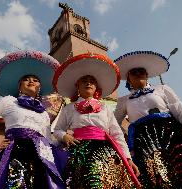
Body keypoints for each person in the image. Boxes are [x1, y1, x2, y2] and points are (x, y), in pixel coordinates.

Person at [114, 51, 182, 188]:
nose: (138, 73)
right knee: (154, 179)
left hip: (173, 137)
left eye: (141, 71)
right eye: (134, 72)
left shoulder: (162, 89)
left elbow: (181, 113)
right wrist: (127, 135)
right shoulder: (124, 100)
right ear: (128, 78)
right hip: (144, 144)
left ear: (147, 75)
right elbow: (113, 123)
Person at [0, 51, 67, 189]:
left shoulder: (43, 113)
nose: (31, 81)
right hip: (13, 155)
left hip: (41, 160)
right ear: (19, 86)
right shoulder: (9, 101)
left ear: (39, 88)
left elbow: (48, 140)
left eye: (35, 80)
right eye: (26, 79)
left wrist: (64, 137)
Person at [52, 53, 141, 188]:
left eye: (92, 81)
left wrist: (128, 158)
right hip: (79, 152)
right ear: (77, 86)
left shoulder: (105, 108)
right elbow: (57, 129)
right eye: (84, 81)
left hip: (106, 151)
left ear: (96, 88)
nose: (88, 83)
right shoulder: (68, 108)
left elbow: (116, 133)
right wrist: (65, 136)